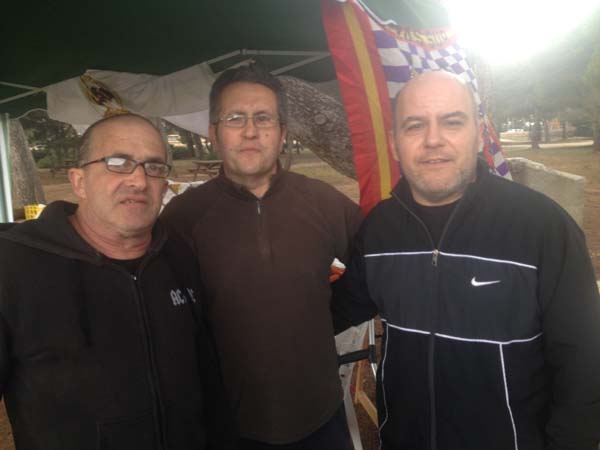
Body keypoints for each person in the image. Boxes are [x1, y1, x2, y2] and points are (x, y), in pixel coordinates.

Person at [332, 70, 600, 450]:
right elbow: (333, 311)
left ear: (478, 134)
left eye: (452, 122)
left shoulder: (543, 227)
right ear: (394, 143)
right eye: (415, 125)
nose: (433, 140)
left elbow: (584, 367)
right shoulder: (379, 230)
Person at [0, 114, 232, 450]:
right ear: (79, 181)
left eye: (154, 166)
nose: (139, 180)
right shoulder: (13, 266)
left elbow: (206, 376)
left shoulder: (181, 255)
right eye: (118, 163)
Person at [161, 64, 362, 449]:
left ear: (283, 133)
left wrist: (323, 313)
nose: (250, 131)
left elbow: (373, 271)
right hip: (227, 424)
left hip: (320, 416)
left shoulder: (323, 202)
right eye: (235, 118)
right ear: (213, 133)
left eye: (263, 118)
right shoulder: (182, 218)